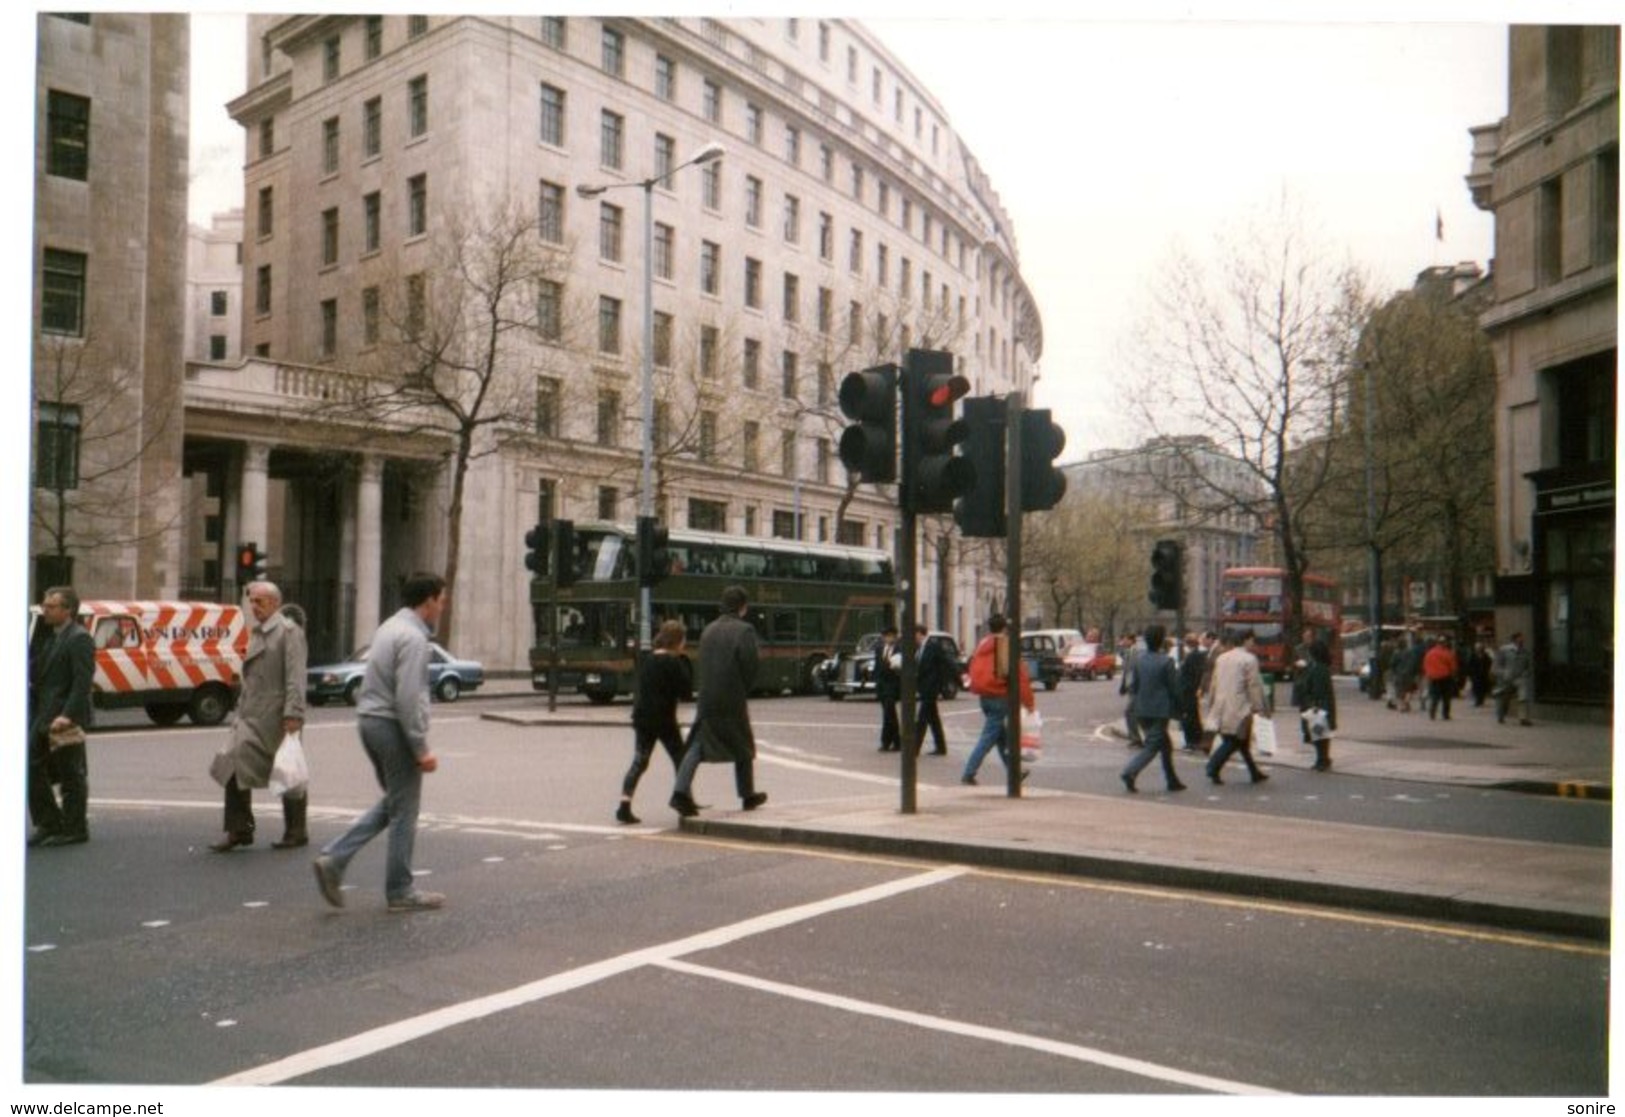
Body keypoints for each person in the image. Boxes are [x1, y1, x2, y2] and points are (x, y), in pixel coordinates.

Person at [313, 573, 448, 913]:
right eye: (442, 600)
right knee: (405, 811)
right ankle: (399, 889)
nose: (443, 607)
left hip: (369, 722)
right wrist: (421, 748)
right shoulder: (415, 639)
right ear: (429, 600)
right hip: (392, 725)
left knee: (395, 803)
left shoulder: (389, 627)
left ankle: (336, 858)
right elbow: (409, 698)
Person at [210, 582, 308, 852]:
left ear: (275, 603)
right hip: (250, 715)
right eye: (252, 601)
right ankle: (239, 829)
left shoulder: (288, 633)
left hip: (276, 716)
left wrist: (293, 714)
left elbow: (295, 678)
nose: (254, 607)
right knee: (231, 763)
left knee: (288, 770)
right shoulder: (258, 632)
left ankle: (296, 830)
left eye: (260, 602)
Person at [669, 586, 767, 817]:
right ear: (742, 607)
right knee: (743, 743)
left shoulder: (708, 630)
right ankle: (747, 794)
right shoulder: (745, 630)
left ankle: (679, 793)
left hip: (707, 696)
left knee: (698, 745)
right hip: (732, 695)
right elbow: (750, 664)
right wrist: (744, 687)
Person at [28, 586, 95, 848]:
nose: (45, 609)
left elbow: (82, 681)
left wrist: (68, 714)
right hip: (44, 714)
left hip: (64, 717)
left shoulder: (79, 638)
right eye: (45, 605)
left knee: (71, 774)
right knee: (30, 766)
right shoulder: (52, 637)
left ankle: (75, 827)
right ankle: (49, 822)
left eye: (51, 606)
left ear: (68, 610)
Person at [616, 619, 693, 824]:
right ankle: (684, 800)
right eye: (683, 640)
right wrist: (685, 661)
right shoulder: (673, 662)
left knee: (640, 761)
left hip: (642, 718)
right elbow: (686, 692)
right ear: (677, 641)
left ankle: (624, 804)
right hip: (664, 720)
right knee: (681, 760)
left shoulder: (648, 659)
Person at [960, 614, 1036, 786]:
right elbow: (1019, 676)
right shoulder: (1004, 646)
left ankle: (1015, 772)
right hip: (1000, 695)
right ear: (1004, 628)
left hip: (984, 696)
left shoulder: (982, 644)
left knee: (1001, 737)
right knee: (988, 738)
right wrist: (1029, 702)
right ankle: (968, 772)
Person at [1120, 624, 1186, 794]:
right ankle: (1129, 772)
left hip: (1141, 709)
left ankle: (1172, 780)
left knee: (1166, 745)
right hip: (1159, 710)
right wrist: (1181, 708)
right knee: (1152, 745)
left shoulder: (1139, 660)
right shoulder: (1166, 661)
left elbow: (1134, 686)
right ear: (1161, 641)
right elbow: (1174, 688)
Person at [1204, 631, 1269, 785]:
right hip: (1240, 707)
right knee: (1234, 740)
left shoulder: (1221, 658)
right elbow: (1253, 685)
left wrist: (1211, 703)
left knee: (1241, 741)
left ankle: (1254, 772)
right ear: (1245, 641)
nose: (1253, 644)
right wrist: (1258, 707)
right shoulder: (1249, 659)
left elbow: (1214, 683)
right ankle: (1213, 766)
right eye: (1252, 640)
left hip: (1221, 705)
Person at [1296, 640, 1339, 772]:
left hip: (1318, 706)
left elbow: (1316, 689)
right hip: (1322, 705)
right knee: (1319, 734)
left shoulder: (1318, 669)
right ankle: (1323, 759)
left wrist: (1313, 704)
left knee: (1319, 735)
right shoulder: (1319, 667)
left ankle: (1322, 760)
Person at [913, 625, 949, 756]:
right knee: (933, 719)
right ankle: (941, 747)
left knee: (922, 719)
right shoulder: (919, 648)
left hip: (931, 688)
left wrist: (942, 686)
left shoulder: (933, 647)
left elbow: (944, 664)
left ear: (919, 634)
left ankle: (914, 748)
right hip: (924, 688)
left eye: (914, 635)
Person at [1177, 630, 1211, 752]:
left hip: (1188, 691)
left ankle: (1191, 741)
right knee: (1193, 716)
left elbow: (1190, 675)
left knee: (1188, 717)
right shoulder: (1196, 655)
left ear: (1188, 644)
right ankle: (1197, 740)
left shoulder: (1192, 656)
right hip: (1190, 690)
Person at [1493, 632, 1533, 726]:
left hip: (1520, 678)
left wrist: (1525, 674)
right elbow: (1496, 666)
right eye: (1520, 638)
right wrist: (1503, 673)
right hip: (1505, 679)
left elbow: (1529, 667)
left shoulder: (1525, 652)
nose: (1522, 640)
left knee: (1523, 697)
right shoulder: (1504, 650)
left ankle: (1523, 718)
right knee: (1504, 699)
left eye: (1523, 638)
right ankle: (1501, 716)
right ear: (1515, 639)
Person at [873, 625, 902, 752]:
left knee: (889, 714)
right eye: (885, 636)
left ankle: (886, 742)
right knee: (889, 714)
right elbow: (877, 666)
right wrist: (876, 682)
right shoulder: (879, 649)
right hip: (882, 685)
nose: (886, 639)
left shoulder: (900, 649)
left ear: (894, 637)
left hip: (893, 685)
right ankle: (895, 741)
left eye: (889, 636)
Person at [1422, 635, 1460, 721]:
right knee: (1446, 697)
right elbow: (1453, 666)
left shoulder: (1429, 653)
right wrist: (1454, 675)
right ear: (1445, 643)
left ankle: (1432, 713)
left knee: (1434, 696)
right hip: (1445, 677)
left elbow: (1425, 665)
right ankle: (1445, 714)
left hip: (1433, 678)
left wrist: (1428, 674)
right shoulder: (1447, 653)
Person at [1118, 632, 1144, 747]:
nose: (1123, 642)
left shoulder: (1137, 652)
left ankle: (1136, 738)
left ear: (1131, 640)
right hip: (1131, 687)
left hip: (1136, 687)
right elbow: (1126, 671)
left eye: (1125, 639)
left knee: (1130, 712)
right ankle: (1137, 737)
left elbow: (1135, 671)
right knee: (1134, 713)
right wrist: (1123, 686)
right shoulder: (1128, 652)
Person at [1466, 637, 1494, 707]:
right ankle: (1477, 700)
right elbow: (1469, 665)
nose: (1478, 649)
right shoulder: (1473, 655)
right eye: (1477, 647)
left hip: (1483, 675)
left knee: (1483, 688)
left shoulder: (1485, 656)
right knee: (1476, 688)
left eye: (1480, 647)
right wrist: (1470, 674)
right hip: (1475, 675)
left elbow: (1489, 663)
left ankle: (1481, 700)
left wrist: (1488, 671)